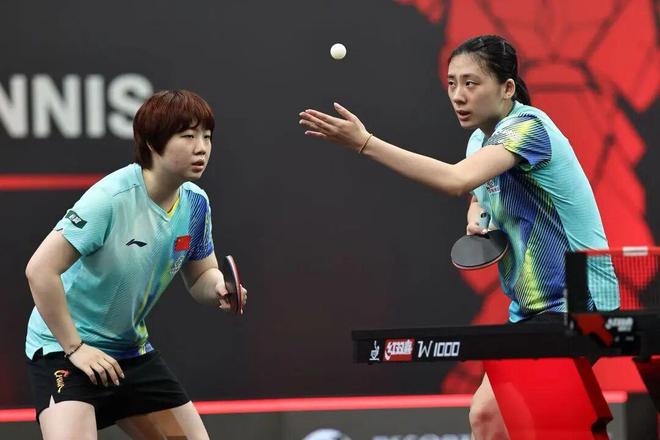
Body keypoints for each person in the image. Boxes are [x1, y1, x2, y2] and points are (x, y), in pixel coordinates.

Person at [298, 35, 618, 440]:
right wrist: (477, 215)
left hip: (581, 304)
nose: (458, 95)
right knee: (492, 420)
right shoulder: (479, 141)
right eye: (451, 83)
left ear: (507, 88)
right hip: (530, 310)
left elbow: (456, 180)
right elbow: (476, 192)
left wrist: (365, 143)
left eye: (471, 83)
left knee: (496, 412)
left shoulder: (529, 129)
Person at [25, 89, 247, 439]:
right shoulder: (110, 199)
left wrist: (219, 288)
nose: (201, 148)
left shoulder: (195, 204)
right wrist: (76, 348)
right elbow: (39, 270)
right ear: (153, 144)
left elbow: (201, 275)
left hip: (131, 352)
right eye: (188, 136)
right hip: (64, 349)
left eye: (207, 137)